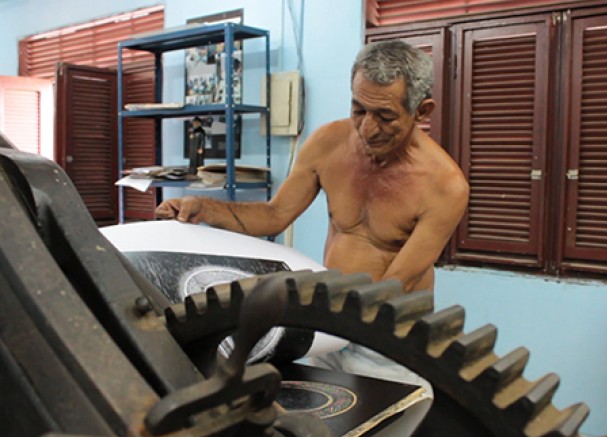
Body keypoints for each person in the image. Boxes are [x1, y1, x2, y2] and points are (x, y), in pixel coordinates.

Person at [156, 40, 469, 391]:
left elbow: (397, 282)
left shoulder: (445, 186)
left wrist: (303, 314)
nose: (367, 129)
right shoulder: (328, 143)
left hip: (389, 338)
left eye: (385, 116)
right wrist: (205, 208)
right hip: (329, 326)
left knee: (385, 433)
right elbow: (275, 215)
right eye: (358, 110)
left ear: (422, 111)